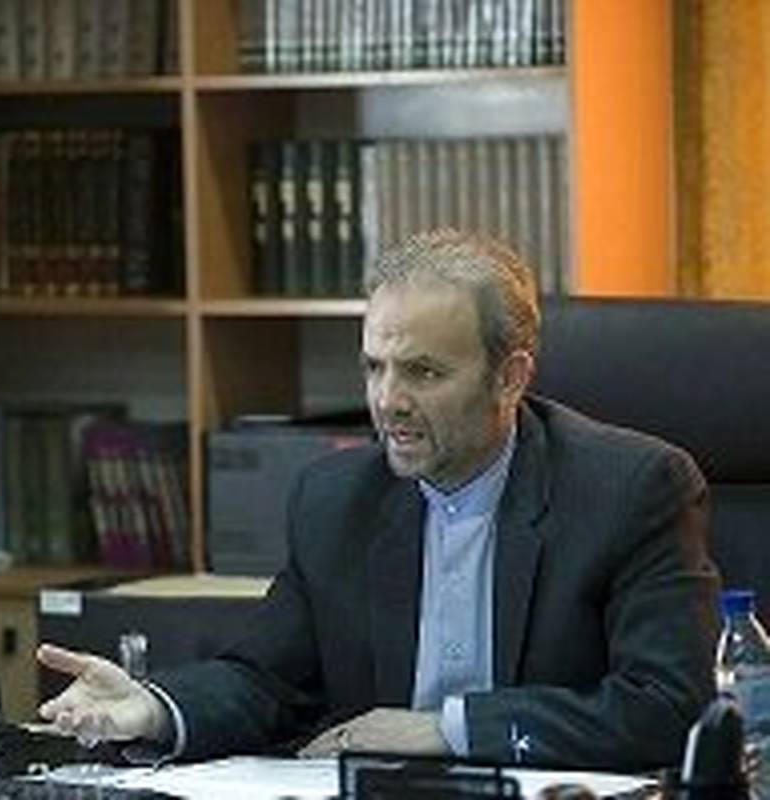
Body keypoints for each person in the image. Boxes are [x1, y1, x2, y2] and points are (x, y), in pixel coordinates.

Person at [36, 229, 721, 771]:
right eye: (374, 367)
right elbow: (270, 682)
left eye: (423, 372)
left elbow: (669, 708)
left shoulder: (631, 489)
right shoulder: (335, 499)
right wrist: (155, 708)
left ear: (510, 378)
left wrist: (450, 731)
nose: (388, 401)